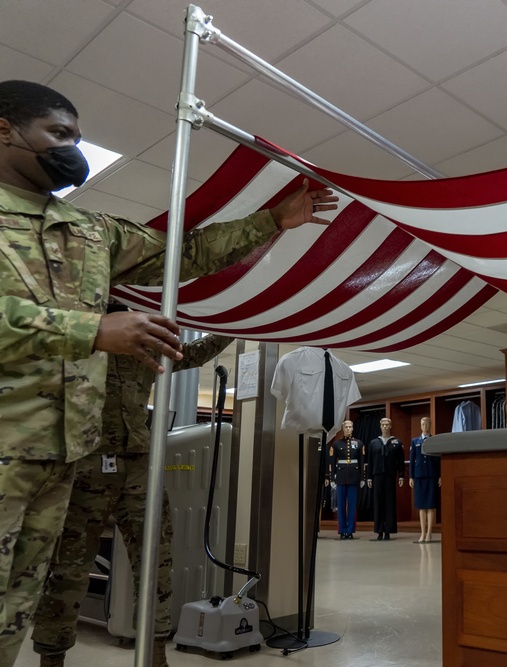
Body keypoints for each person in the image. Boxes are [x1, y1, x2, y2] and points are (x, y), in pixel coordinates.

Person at [0, 79, 337, 666]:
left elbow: (186, 254)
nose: (71, 150)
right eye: (58, 134)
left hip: (62, 460)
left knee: (15, 608)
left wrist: (272, 221)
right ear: (4, 130)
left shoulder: (90, 231)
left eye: (77, 138)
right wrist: (89, 331)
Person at [32, 326, 234, 667]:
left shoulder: (146, 352)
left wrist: (231, 324)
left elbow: (193, 352)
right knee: (68, 568)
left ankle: (155, 655)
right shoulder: (78, 346)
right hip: (87, 465)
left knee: (156, 563)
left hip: (140, 466)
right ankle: (52, 657)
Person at [365, 418, 404, 541]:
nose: (385, 427)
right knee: (378, 503)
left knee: (389, 503)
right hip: (377, 476)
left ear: (390, 426)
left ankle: (388, 530)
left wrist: (401, 475)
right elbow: (370, 461)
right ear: (380, 426)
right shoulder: (373, 443)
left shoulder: (396, 442)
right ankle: (379, 530)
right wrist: (369, 477)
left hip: (390, 475)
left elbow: (400, 461)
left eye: (387, 424)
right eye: (383, 424)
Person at [408, 417, 440, 543]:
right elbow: (412, 459)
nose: (425, 426)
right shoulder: (415, 441)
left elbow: (438, 459)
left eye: (427, 423)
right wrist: (411, 476)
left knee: (431, 505)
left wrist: (440, 475)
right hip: (419, 475)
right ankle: (422, 532)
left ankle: (429, 533)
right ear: (420, 426)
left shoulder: (434, 440)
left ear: (430, 425)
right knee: (421, 506)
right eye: (422, 424)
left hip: (431, 474)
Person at [331, 419, 363, 540]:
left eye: (350, 427)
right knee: (341, 505)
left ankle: (350, 530)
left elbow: (362, 461)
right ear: (343, 429)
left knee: (352, 506)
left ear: (353, 428)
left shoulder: (359, 443)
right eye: (346, 427)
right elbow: (332, 462)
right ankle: (342, 530)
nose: (348, 429)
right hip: (340, 477)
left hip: (354, 477)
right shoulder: (337, 444)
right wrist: (332, 477)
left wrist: (362, 478)